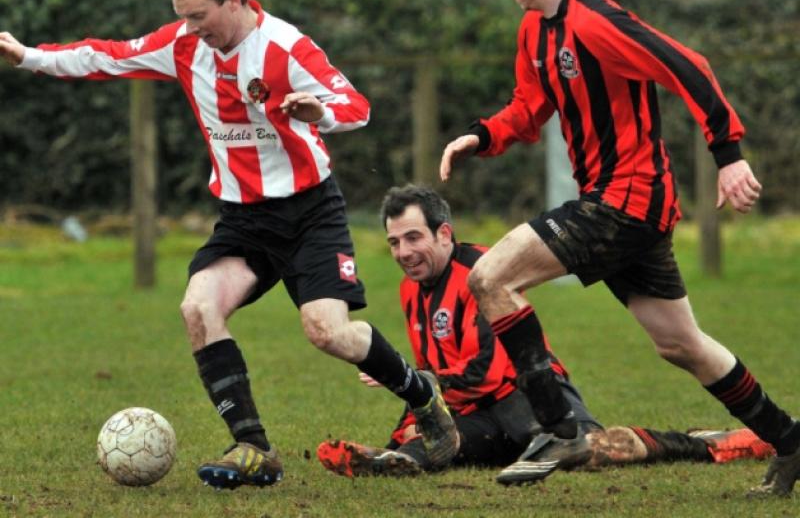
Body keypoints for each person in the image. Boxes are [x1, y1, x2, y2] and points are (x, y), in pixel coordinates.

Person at [0, 0, 459, 489]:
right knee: (198, 308)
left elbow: (355, 106)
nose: (191, 29)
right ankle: (254, 447)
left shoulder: (286, 47)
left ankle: (422, 396)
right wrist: (29, 56)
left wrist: (319, 112)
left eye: (199, 16)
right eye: (183, 17)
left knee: (327, 332)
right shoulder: (182, 44)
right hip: (243, 221)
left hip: (309, 213)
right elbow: (108, 56)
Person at [436, 0, 800, 497]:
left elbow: (689, 66)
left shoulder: (596, 22)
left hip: (627, 199)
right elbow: (529, 107)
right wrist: (481, 135)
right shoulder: (535, 29)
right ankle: (790, 440)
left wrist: (729, 154)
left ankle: (559, 428)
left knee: (489, 278)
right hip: (618, 204)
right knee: (680, 344)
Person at [316, 185, 773, 482]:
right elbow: (432, 385)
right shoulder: (411, 291)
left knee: (597, 451)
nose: (403, 252)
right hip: (480, 411)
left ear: (444, 234)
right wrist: (407, 418)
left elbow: (488, 371)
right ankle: (391, 460)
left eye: (413, 238)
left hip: (531, 396)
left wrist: (419, 381)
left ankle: (709, 444)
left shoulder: (482, 273)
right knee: (442, 446)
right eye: (394, 242)